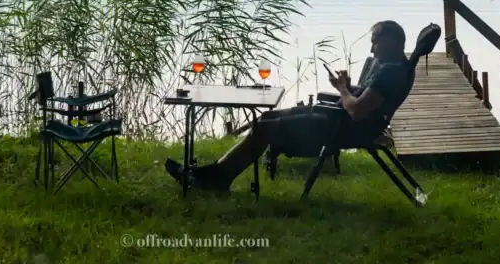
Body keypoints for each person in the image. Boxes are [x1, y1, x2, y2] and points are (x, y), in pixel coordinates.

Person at [164, 20, 415, 192]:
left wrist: (341, 90)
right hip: (334, 118)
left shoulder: (390, 72)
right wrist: (347, 87)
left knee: (265, 129)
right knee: (267, 116)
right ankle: (214, 174)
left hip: (339, 127)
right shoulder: (393, 67)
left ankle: (215, 179)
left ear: (392, 42)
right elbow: (364, 100)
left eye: (376, 42)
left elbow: (357, 111)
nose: (372, 47)